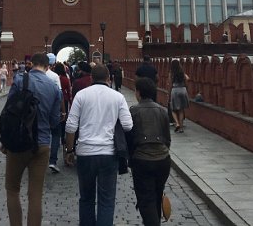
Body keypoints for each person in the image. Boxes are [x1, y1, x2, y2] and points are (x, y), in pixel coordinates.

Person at [65, 64, 133, 226]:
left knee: (86, 198)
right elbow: (128, 125)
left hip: (85, 153)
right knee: (107, 201)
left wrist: (69, 150)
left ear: (91, 79)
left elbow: (70, 126)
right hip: (109, 154)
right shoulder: (117, 97)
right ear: (109, 78)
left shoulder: (81, 95)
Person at [2, 52, 61, 226]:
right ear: (47, 66)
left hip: (19, 143)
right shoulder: (53, 87)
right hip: (42, 145)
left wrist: (5, 141)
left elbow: (8, 112)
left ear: (31, 64)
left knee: (12, 189)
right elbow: (54, 121)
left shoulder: (20, 81)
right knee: (35, 194)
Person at [129, 78, 172, 225]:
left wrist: (131, 158)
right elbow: (167, 139)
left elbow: (130, 138)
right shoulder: (162, 111)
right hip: (163, 160)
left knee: (146, 200)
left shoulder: (134, 111)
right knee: (157, 194)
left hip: (142, 160)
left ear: (139, 93)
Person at [45, 53, 64, 174]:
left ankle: (38, 160)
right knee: (56, 134)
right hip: (54, 110)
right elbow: (60, 94)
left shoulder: (32, 76)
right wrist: (63, 111)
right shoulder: (54, 76)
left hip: (39, 110)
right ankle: (52, 161)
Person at [169, 59, 190, 133]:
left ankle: (177, 123)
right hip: (183, 90)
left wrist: (169, 93)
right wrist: (186, 88)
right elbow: (187, 78)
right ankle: (181, 128)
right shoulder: (182, 72)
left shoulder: (171, 73)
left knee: (173, 109)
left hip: (175, 90)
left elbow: (170, 84)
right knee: (181, 110)